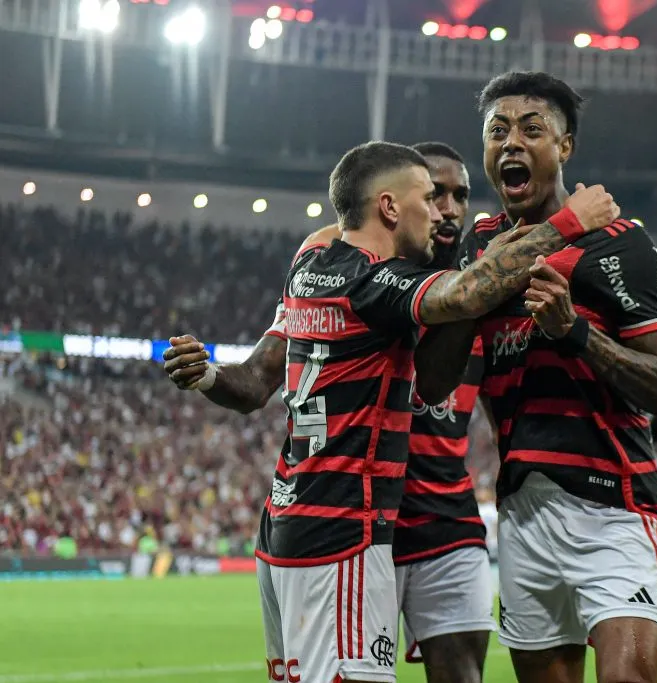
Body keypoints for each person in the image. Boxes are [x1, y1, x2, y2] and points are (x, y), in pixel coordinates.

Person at [162, 140, 620, 683]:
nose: (442, 211)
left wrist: (207, 375)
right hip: (345, 528)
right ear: (389, 206)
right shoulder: (380, 281)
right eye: (429, 196)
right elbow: (466, 292)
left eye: (457, 197)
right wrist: (567, 223)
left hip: (303, 521)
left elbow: (255, 380)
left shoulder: (312, 262)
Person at [419, 71, 657, 683]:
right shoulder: (481, 246)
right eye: (497, 131)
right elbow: (432, 384)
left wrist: (575, 331)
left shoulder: (618, 243)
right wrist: (477, 291)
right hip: (522, 514)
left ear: (564, 147)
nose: (511, 142)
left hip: (614, 507)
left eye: (531, 129)